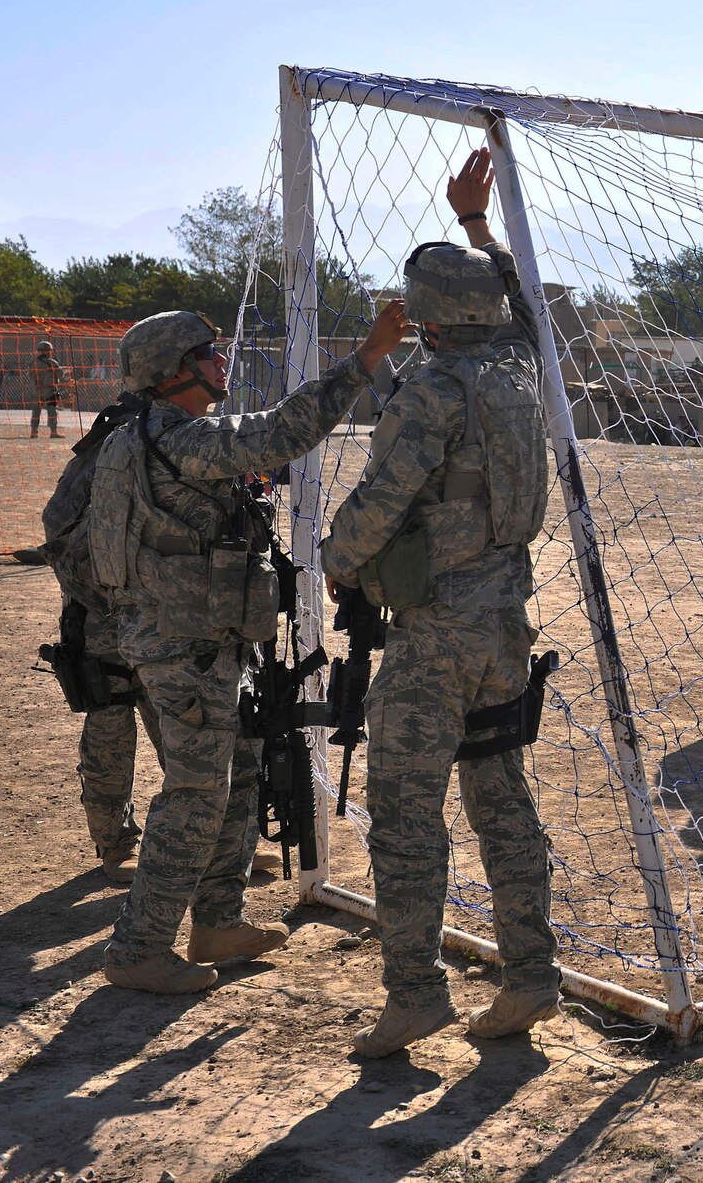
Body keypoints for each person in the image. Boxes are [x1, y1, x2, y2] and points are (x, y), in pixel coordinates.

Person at [86, 300, 407, 995]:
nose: (221, 361)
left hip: (195, 644)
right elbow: (279, 432)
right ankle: (139, 945)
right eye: (208, 353)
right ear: (173, 373)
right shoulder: (175, 439)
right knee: (197, 793)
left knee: (235, 775)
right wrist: (365, 359)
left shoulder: (136, 436)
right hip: (186, 650)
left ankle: (217, 921)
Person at [318, 150, 560, 1056]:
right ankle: (533, 972)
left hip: (432, 638)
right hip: (505, 621)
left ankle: (415, 991)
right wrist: (477, 228)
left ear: (425, 316)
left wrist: (336, 560)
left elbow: (379, 503)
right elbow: (528, 312)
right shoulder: (516, 370)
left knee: (405, 812)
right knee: (501, 795)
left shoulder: (430, 390)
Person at [40, 387, 158, 882]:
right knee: (111, 729)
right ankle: (115, 845)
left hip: (170, 618)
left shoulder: (189, 435)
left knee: (189, 726)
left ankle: (211, 840)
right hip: (106, 619)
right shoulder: (118, 441)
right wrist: (113, 593)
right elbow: (60, 533)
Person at [31, 340, 66, 439]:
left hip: (38, 390)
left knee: (36, 411)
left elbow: (30, 375)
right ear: (48, 351)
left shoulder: (33, 362)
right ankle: (53, 432)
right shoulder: (52, 363)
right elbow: (60, 374)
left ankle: (34, 432)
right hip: (50, 390)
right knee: (51, 411)